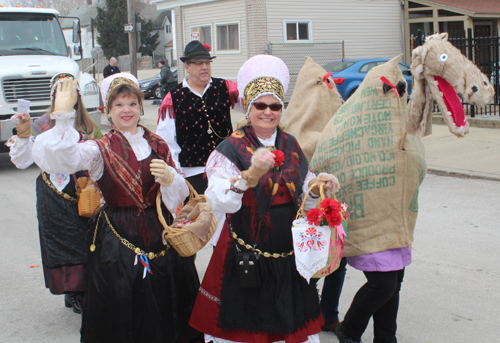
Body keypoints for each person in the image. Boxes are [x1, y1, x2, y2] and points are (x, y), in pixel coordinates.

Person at [31, 72, 202, 343]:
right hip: (117, 239)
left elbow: (176, 197)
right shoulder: (98, 149)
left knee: (165, 299)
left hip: (159, 230)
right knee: (122, 301)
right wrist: (63, 118)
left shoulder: (157, 144)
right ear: (108, 111)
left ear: (141, 108)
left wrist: (171, 179)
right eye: (119, 104)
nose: (126, 110)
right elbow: (59, 159)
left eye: (132, 104)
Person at [188, 55, 340, 343]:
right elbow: (220, 200)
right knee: (248, 320)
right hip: (245, 246)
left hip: (287, 246)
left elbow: (305, 192)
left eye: (275, 106)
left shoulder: (291, 144)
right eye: (260, 105)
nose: (268, 112)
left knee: (289, 320)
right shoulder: (229, 148)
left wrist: (321, 186)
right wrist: (247, 178)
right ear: (247, 106)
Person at [7, 72, 102, 314]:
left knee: (86, 240)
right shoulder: (40, 125)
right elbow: (23, 161)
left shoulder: (89, 127)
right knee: (58, 242)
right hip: (51, 194)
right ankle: (72, 291)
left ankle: (85, 289)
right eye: (60, 93)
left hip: (83, 192)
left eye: (69, 92)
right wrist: (24, 134)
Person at [156, 40, 240, 195]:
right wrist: (176, 172)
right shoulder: (174, 96)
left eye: (207, 63)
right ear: (187, 67)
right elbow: (165, 139)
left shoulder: (224, 87)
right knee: (201, 217)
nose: (205, 67)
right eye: (199, 63)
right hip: (193, 172)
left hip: (227, 168)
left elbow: (253, 107)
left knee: (231, 215)